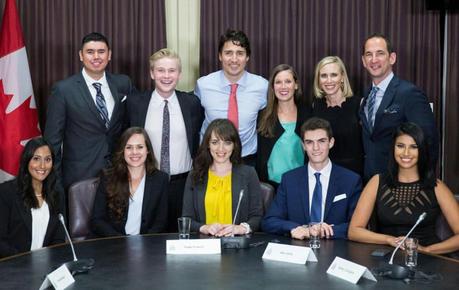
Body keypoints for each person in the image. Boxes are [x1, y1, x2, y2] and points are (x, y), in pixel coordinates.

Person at [348, 123, 459, 254]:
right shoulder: (376, 182)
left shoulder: (437, 187)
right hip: (386, 259)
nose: (406, 153)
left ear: (422, 150)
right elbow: (354, 231)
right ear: (393, 149)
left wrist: (426, 250)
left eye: (413, 147)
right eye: (400, 146)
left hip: (427, 261)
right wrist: (389, 240)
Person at [44, 32, 136, 190]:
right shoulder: (63, 90)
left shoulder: (123, 83)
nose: (96, 57)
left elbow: (132, 125)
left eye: (101, 52)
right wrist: (56, 185)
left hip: (119, 174)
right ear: (81, 55)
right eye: (90, 52)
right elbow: (52, 143)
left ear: (109, 55)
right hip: (79, 178)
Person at [126, 48, 203, 232]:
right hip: (148, 182)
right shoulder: (135, 103)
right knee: (150, 239)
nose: (166, 76)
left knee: (182, 237)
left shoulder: (191, 104)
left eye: (172, 70)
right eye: (161, 70)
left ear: (179, 74)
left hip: (183, 185)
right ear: (152, 73)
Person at [262, 117, 362, 240]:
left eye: (321, 141)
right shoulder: (290, 179)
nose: (315, 148)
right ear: (303, 145)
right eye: (309, 142)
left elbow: (359, 226)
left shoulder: (350, 180)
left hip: (336, 250)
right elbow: (269, 221)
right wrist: (296, 228)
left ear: (331, 143)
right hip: (298, 251)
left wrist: (323, 231)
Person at [359, 33, 438, 182]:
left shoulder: (409, 93)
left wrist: (421, 183)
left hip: (402, 183)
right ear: (363, 61)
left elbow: (429, 142)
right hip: (371, 183)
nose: (374, 60)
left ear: (392, 58)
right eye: (369, 54)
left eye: (380, 53)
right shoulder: (366, 96)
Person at [195, 29, 268, 166]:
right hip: (211, 158)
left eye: (240, 53)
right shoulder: (203, 85)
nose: (234, 59)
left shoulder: (262, 86)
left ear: (247, 57)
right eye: (228, 53)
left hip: (247, 158)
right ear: (220, 56)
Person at [182, 119, 263, 236]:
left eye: (227, 142)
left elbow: (257, 217)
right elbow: (187, 219)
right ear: (208, 145)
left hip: (237, 245)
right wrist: (204, 227)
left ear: (234, 145)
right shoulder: (195, 175)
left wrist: (241, 228)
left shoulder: (248, 174)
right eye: (215, 142)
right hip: (205, 244)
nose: (221, 149)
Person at [91, 127, 168, 237]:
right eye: (129, 147)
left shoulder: (161, 179)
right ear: (123, 151)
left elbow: (161, 223)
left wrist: (143, 243)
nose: (134, 152)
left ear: (148, 150)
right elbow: (97, 220)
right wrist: (121, 241)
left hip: (147, 246)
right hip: (114, 244)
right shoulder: (108, 177)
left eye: (140, 147)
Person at [0, 138, 64, 258]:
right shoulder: (6, 193)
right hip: (13, 267)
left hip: (46, 266)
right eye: (36, 159)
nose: (43, 165)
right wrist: (25, 262)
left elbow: (58, 239)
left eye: (48, 159)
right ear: (26, 161)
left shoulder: (56, 194)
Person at [256, 64, 311, 188]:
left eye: (288, 81)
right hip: (270, 186)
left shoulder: (308, 114)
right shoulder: (262, 116)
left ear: (296, 85)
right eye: (278, 82)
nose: (283, 87)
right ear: (272, 87)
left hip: (301, 184)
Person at [312, 56, 363, 176]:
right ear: (318, 80)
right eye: (324, 76)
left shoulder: (359, 104)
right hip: (324, 173)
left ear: (342, 78)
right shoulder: (316, 105)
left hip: (353, 174)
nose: (329, 80)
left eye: (334, 75)